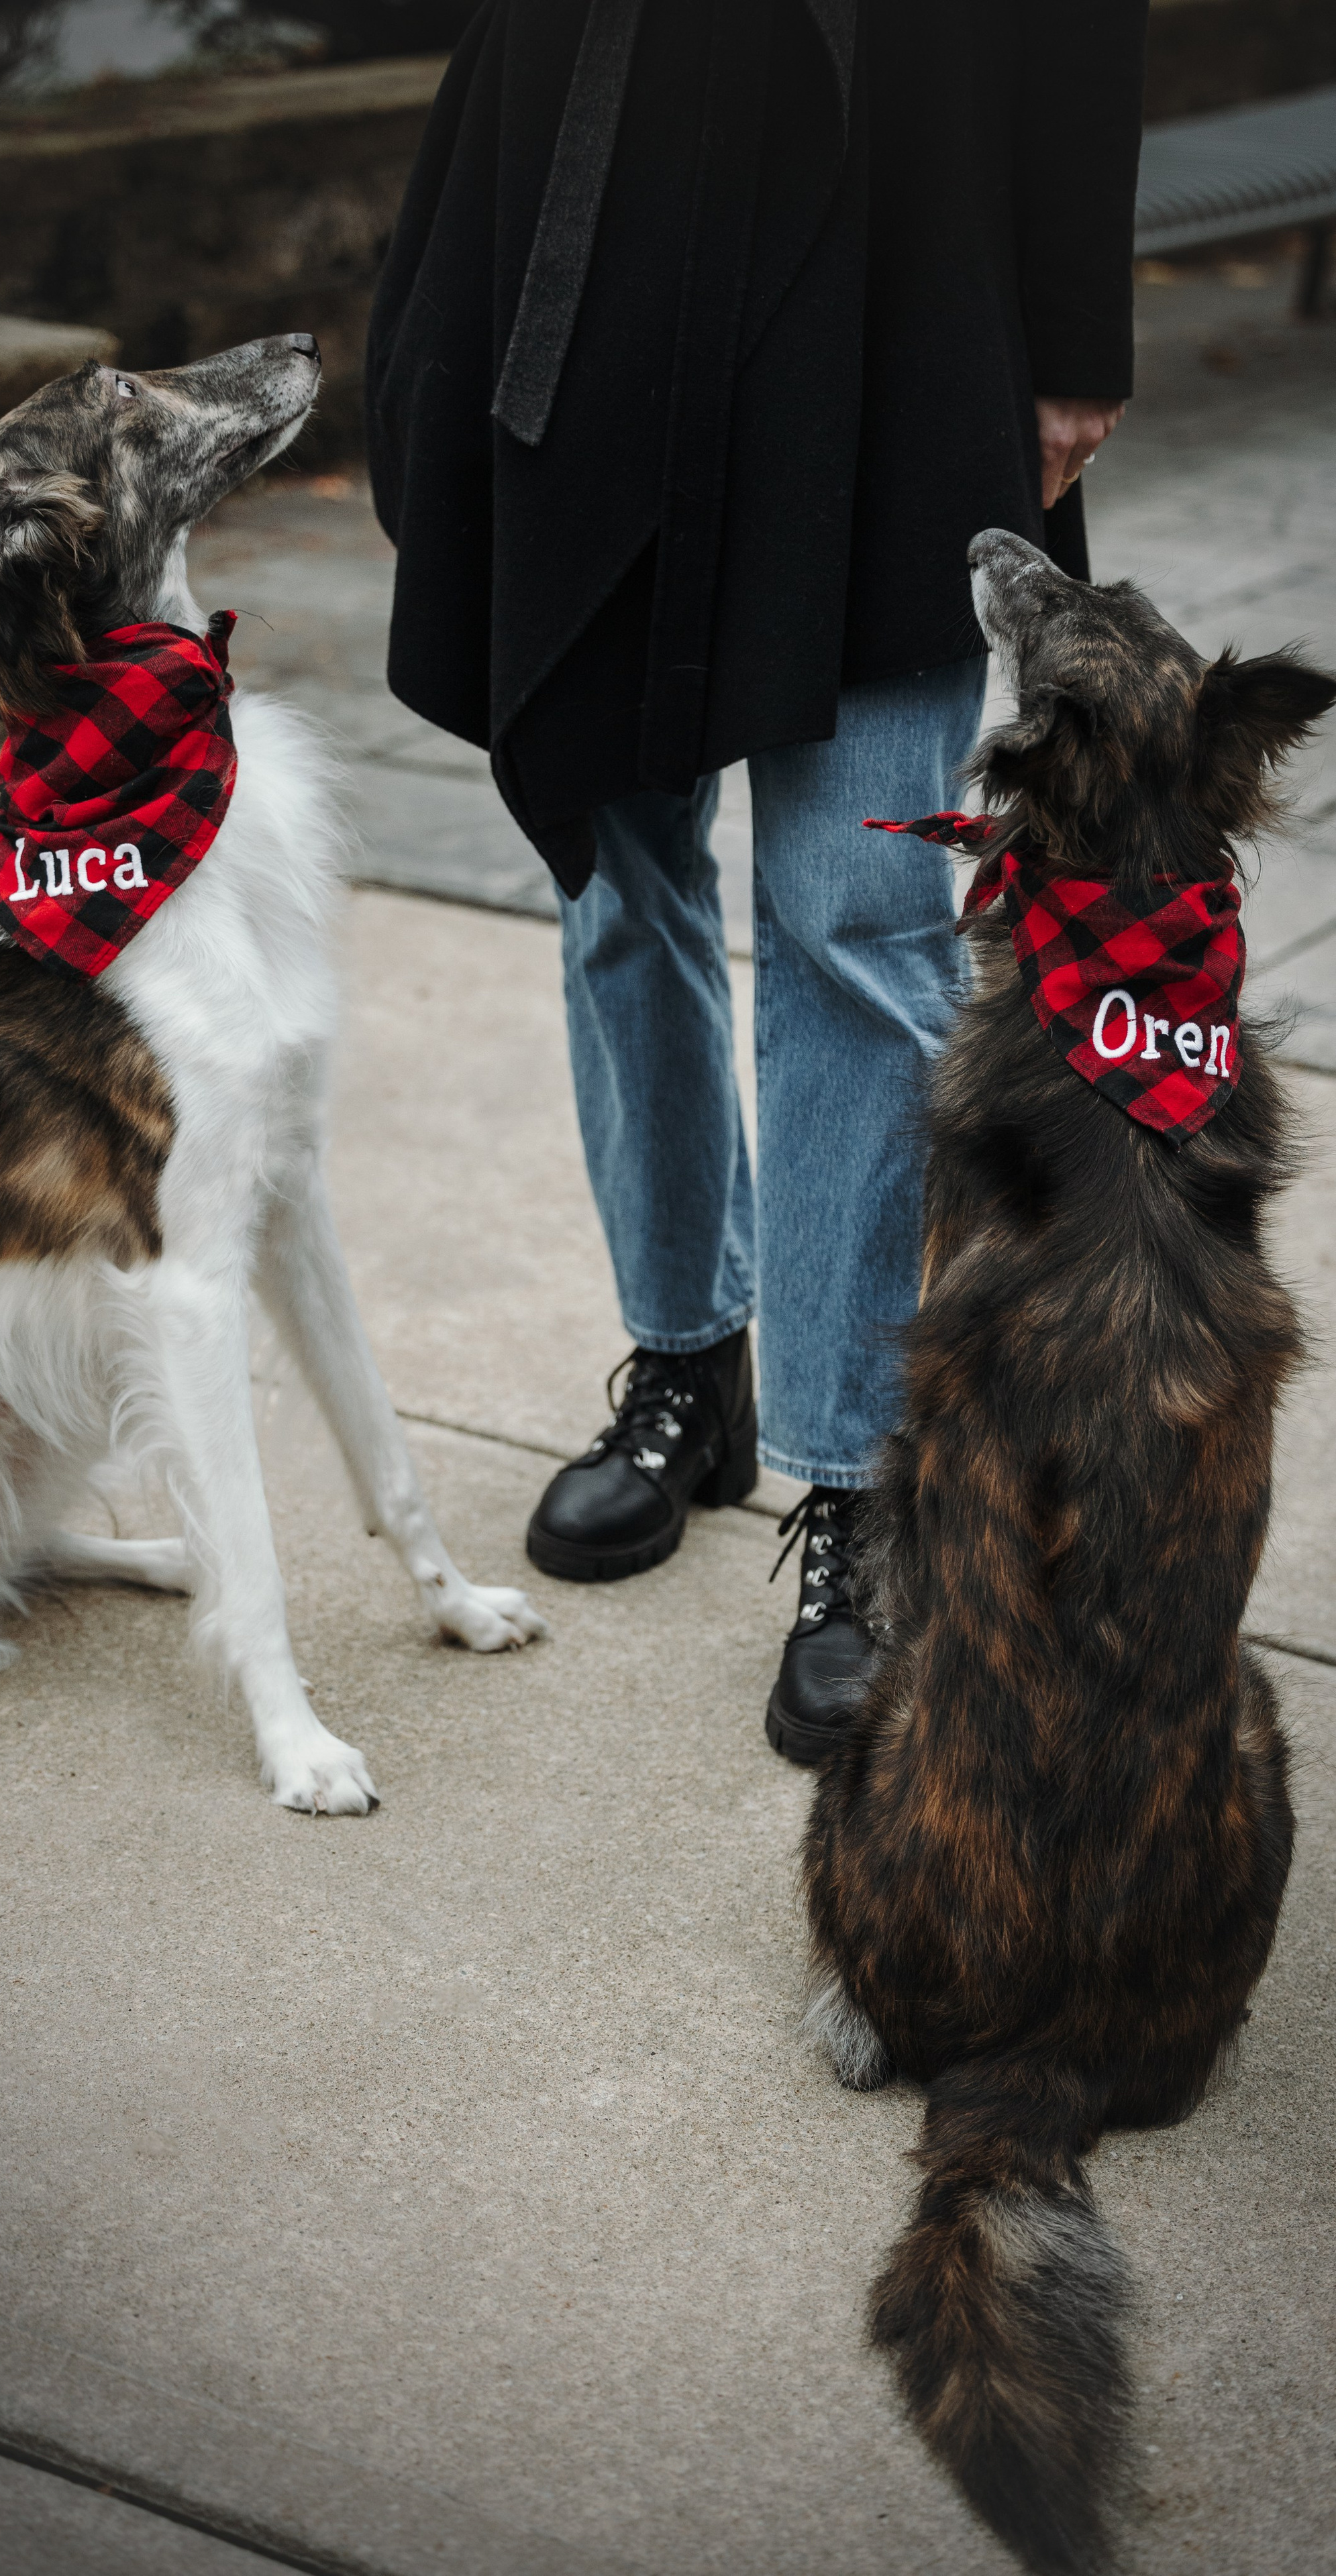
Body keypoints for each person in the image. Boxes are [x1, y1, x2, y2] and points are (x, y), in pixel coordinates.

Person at [365, 0, 1149, 1762]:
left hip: (901, 267)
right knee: (615, 877)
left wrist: (1077, 326)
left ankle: (857, 1480)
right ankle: (683, 1360)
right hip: (592, 252)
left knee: (856, 916)